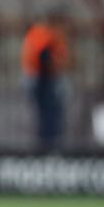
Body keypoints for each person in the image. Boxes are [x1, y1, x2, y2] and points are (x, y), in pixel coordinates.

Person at [21, 9, 71, 152]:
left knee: (45, 115)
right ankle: (48, 146)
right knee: (49, 115)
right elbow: (44, 57)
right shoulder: (43, 34)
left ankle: (47, 144)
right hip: (43, 79)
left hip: (39, 77)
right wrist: (55, 68)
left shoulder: (39, 34)